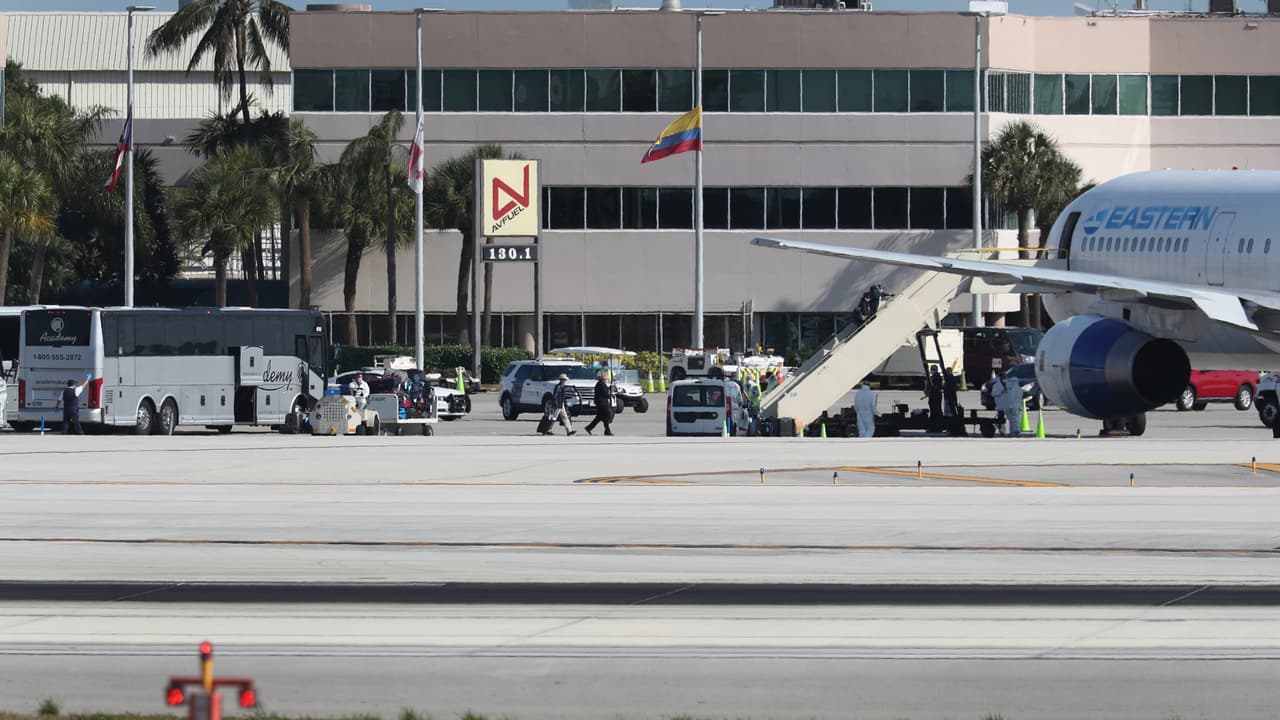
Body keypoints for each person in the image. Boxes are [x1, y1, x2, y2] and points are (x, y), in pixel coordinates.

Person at [585, 371, 614, 436]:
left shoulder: (600, 384)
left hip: (600, 402)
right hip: (602, 403)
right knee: (606, 416)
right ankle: (607, 431)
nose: (607, 379)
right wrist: (610, 394)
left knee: (599, 417)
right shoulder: (601, 384)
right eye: (606, 377)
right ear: (603, 378)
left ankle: (589, 428)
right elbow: (605, 393)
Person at [1002, 371, 1025, 438]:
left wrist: (1010, 406)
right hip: (1017, 405)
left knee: (1012, 419)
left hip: (1012, 405)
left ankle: (1014, 431)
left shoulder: (1010, 387)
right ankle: (1016, 431)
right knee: (1016, 418)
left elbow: (1011, 397)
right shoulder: (1018, 388)